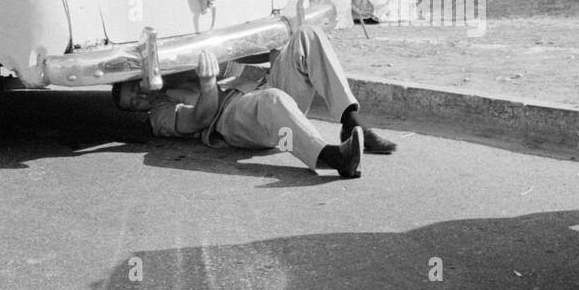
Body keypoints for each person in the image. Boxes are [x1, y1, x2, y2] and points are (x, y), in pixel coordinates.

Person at [115, 22, 397, 177]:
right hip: (233, 120)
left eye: (134, 88)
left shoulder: (176, 70)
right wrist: (207, 82)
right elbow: (199, 118)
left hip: (258, 88)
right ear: (138, 110)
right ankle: (331, 157)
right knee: (272, 99)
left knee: (307, 35)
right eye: (134, 102)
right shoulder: (159, 114)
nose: (140, 96)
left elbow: (239, 63)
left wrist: (274, 52)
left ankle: (351, 121)